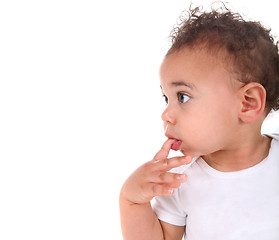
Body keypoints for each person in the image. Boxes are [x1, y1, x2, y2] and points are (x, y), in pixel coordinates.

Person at [119, 4, 279, 240]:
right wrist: (131, 201)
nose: (166, 114)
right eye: (167, 98)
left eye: (182, 97)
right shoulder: (178, 180)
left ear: (247, 103)